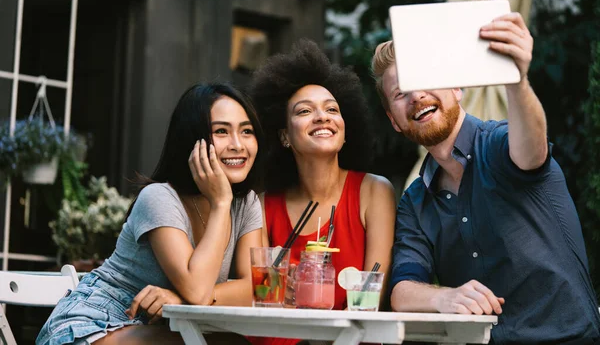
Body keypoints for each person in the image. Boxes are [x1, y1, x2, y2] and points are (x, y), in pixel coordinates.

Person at [372, 12, 600, 344]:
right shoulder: (415, 202)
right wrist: (442, 297)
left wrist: (515, 81)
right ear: (394, 120)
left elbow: (532, 150)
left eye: (425, 79)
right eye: (400, 93)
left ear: (456, 87)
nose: (416, 96)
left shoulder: (499, 144)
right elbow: (402, 291)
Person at [37, 83, 265, 345]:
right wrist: (221, 202)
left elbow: (256, 288)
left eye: (247, 131)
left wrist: (179, 299)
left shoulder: (246, 203)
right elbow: (197, 291)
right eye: (221, 131)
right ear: (193, 140)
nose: (238, 144)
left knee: (232, 343)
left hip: (164, 327)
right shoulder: (159, 197)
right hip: (96, 322)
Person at [247, 40, 396, 345]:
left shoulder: (374, 192)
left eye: (332, 109)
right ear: (285, 137)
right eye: (305, 111)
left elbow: (370, 304)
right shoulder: (263, 205)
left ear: (345, 128)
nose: (322, 116)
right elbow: (261, 300)